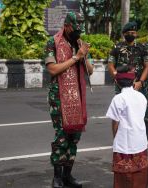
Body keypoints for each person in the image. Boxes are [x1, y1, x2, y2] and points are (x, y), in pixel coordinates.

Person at [44, 11, 93, 188]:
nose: (77, 34)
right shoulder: (53, 43)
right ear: (67, 26)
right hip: (59, 97)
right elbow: (53, 69)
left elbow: (91, 70)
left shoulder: (80, 43)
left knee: (74, 137)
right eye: (75, 29)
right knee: (62, 136)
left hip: (77, 96)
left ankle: (67, 175)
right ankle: (56, 177)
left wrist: (84, 55)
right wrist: (76, 57)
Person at [106, 65, 148, 188]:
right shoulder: (141, 96)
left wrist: (115, 137)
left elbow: (115, 122)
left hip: (124, 142)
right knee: (140, 174)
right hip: (140, 140)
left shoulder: (118, 99)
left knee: (124, 178)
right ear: (134, 80)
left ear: (116, 82)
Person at [107, 21, 148, 95]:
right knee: (121, 105)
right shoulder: (117, 47)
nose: (130, 35)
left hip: (138, 86)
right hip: (121, 87)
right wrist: (117, 77)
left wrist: (140, 82)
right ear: (124, 34)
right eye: (128, 33)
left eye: (133, 33)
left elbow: (147, 66)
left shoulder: (142, 48)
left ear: (136, 34)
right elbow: (110, 65)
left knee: (138, 106)